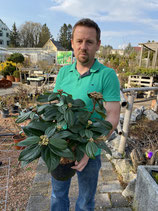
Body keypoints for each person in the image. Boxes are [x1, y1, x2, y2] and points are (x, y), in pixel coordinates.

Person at [51, 18, 120, 211]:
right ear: (72, 43)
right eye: (79, 41)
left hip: (90, 148)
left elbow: (112, 117)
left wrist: (89, 151)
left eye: (89, 42)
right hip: (62, 146)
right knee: (57, 196)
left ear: (98, 45)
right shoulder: (64, 72)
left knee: (86, 201)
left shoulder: (107, 75)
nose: (83, 46)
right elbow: (56, 106)